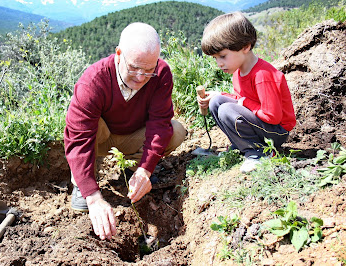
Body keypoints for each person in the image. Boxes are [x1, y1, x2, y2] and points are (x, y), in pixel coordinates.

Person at [64, 22, 187, 241]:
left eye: (148, 70)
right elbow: (79, 139)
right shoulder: (94, 81)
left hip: (131, 136)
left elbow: (160, 123)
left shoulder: (161, 74)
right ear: (118, 54)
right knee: (85, 130)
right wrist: (93, 198)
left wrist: (145, 170)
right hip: (97, 138)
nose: (140, 77)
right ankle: (82, 182)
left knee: (175, 131)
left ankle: (133, 168)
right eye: (134, 68)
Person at [198, 12, 296, 173]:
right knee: (217, 102)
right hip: (262, 125)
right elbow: (241, 99)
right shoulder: (238, 72)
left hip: (276, 131)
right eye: (215, 58)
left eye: (222, 56)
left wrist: (239, 102)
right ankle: (241, 146)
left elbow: (272, 116)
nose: (219, 63)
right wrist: (219, 95)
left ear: (245, 46)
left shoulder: (262, 75)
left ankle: (259, 153)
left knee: (226, 109)